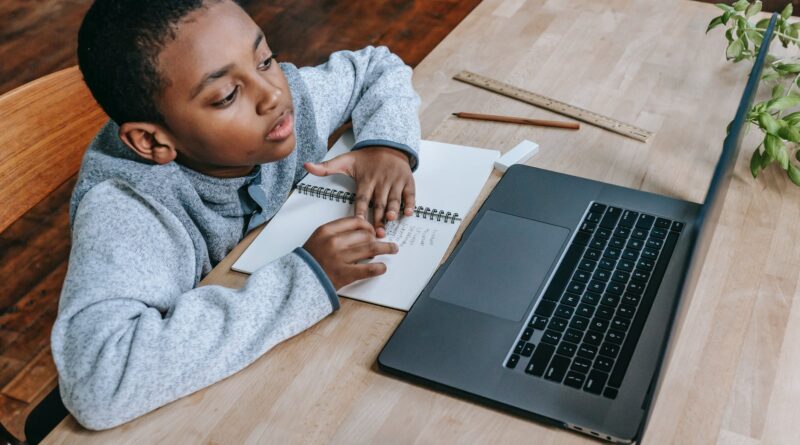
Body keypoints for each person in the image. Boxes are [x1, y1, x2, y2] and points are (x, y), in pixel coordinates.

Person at [51, 0, 420, 430]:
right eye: (227, 95)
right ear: (153, 142)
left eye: (265, 60)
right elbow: (98, 382)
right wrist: (303, 279)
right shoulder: (129, 207)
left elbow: (377, 66)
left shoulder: (287, 105)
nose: (273, 95)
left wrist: (385, 145)